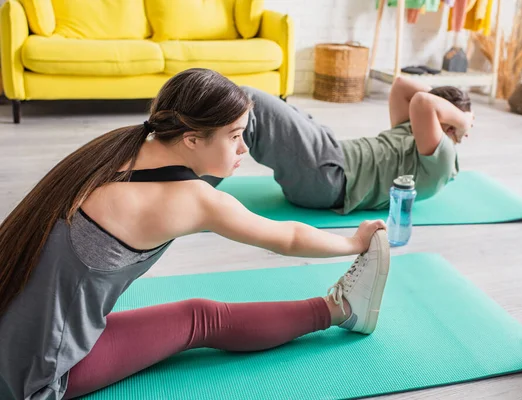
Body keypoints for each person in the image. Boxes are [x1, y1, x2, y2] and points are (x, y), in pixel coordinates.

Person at [0, 68, 391, 400]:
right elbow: (286, 237)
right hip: (36, 372)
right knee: (201, 319)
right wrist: (353, 243)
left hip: (11, 328)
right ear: (190, 139)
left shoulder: (119, 147)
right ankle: (341, 310)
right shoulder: (190, 200)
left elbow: (206, 169)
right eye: (235, 136)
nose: (244, 149)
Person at [214, 76, 474, 215]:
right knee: (271, 110)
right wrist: (451, 110)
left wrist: (464, 119)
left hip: (330, 177)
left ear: (448, 126)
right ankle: (190, 172)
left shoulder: (441, 157)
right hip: (329, 160)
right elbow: (401, 86)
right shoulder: (416, 131)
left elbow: (421, 101)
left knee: (246, 101)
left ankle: (192, 189)